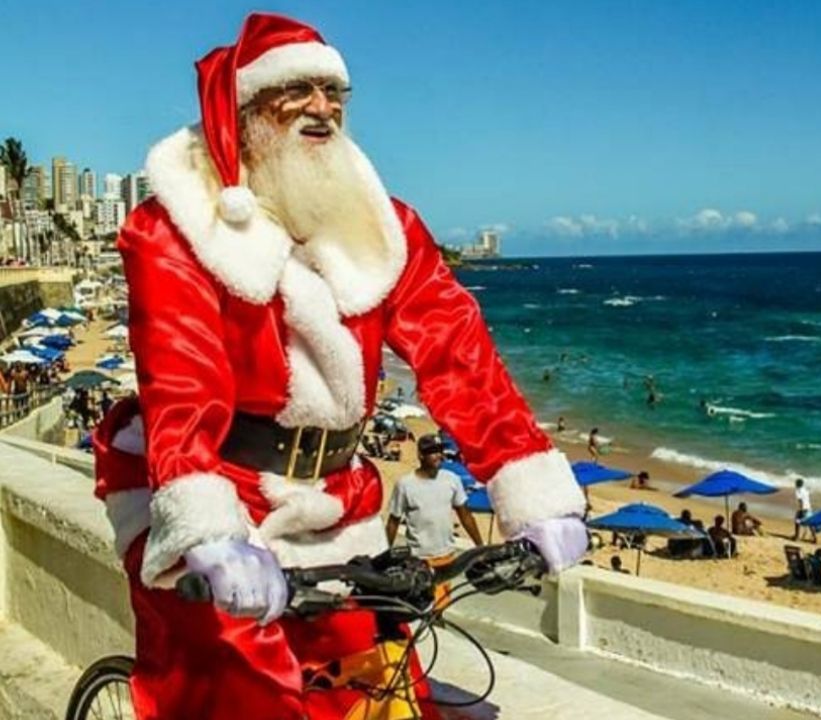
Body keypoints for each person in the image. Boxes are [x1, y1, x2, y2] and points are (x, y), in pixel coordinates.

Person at [90, 13, 588, 720]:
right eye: (297, 90)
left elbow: (456, 350)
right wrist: (210, 533)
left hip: (338, 500)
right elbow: (180, 377)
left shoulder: (383, 225)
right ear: (247, 113)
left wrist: (528, 484)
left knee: (382, 682)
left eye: (334, 92)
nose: (322, 107)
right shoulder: (175, 228)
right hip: (220, 487)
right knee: (246, 694)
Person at [385, 434, 483, 607]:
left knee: (441, 606)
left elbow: (465, 515)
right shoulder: (405, 485)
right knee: (424, 605)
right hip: (419, 559)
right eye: (432, 452)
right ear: (421, 455)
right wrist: (385, 554)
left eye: (439, 451)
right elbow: (393, 521)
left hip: (446, 557)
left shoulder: (452, 479)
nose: (438, 455)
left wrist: (480, 546)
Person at [793, 478, 817, 542]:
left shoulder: (798, 491)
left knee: (797, 522)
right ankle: (815, 538)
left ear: (797, 484)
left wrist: (801, 510)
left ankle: (796, 536)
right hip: (808, 508)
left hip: (803, 509)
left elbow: (800, 501)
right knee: (809, 523)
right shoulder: (805, 490)